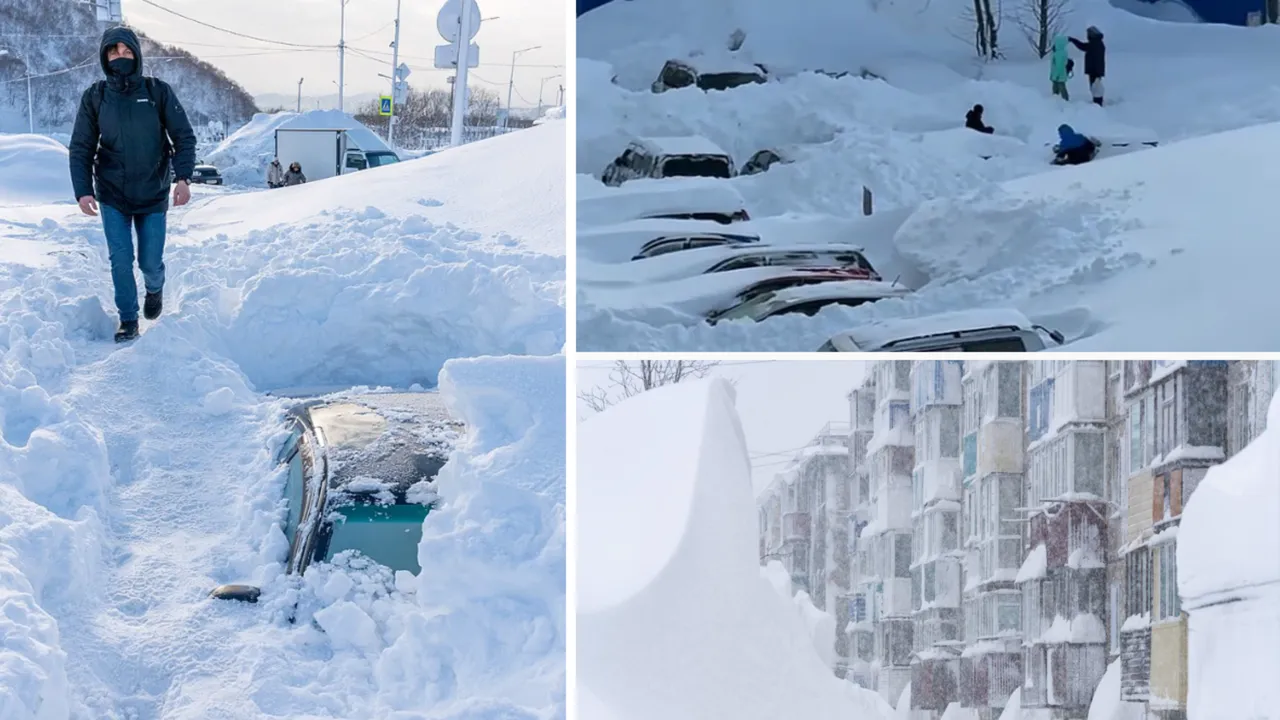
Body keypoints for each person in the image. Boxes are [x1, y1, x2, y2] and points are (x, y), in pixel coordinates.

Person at [69, 26, 196, 343]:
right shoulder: (96, 96)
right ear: (104, 57)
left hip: (153, 191)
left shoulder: (157, 91)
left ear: (137, 54)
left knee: (150, 262)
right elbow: (82, 146)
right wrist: (83, 189)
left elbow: (183, 137)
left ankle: (155, 288)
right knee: (120, 260)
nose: (120, 57)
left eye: (126, 51)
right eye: (113, 52)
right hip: (112, 192)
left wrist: (183, 178)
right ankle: (128, 319)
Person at [1069, 26, 1106, 106]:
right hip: (1097, 70)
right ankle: (1097, 102)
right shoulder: (1098, 43)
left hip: (1094, 70)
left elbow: (1083, 46)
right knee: (1096, 86)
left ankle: (1097, 103)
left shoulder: (1094, 44)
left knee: (1095, 87)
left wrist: (1073, 40)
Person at [1049, 34, 1071, 100]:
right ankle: (1057, 100)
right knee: (1057, 87)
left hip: (1059, 74)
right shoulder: (1059, 52)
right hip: (1057, 74)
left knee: (1061, 87)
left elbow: (1060, 65)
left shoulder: (1059, 53)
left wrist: (1057, 75)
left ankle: (1064, 100)